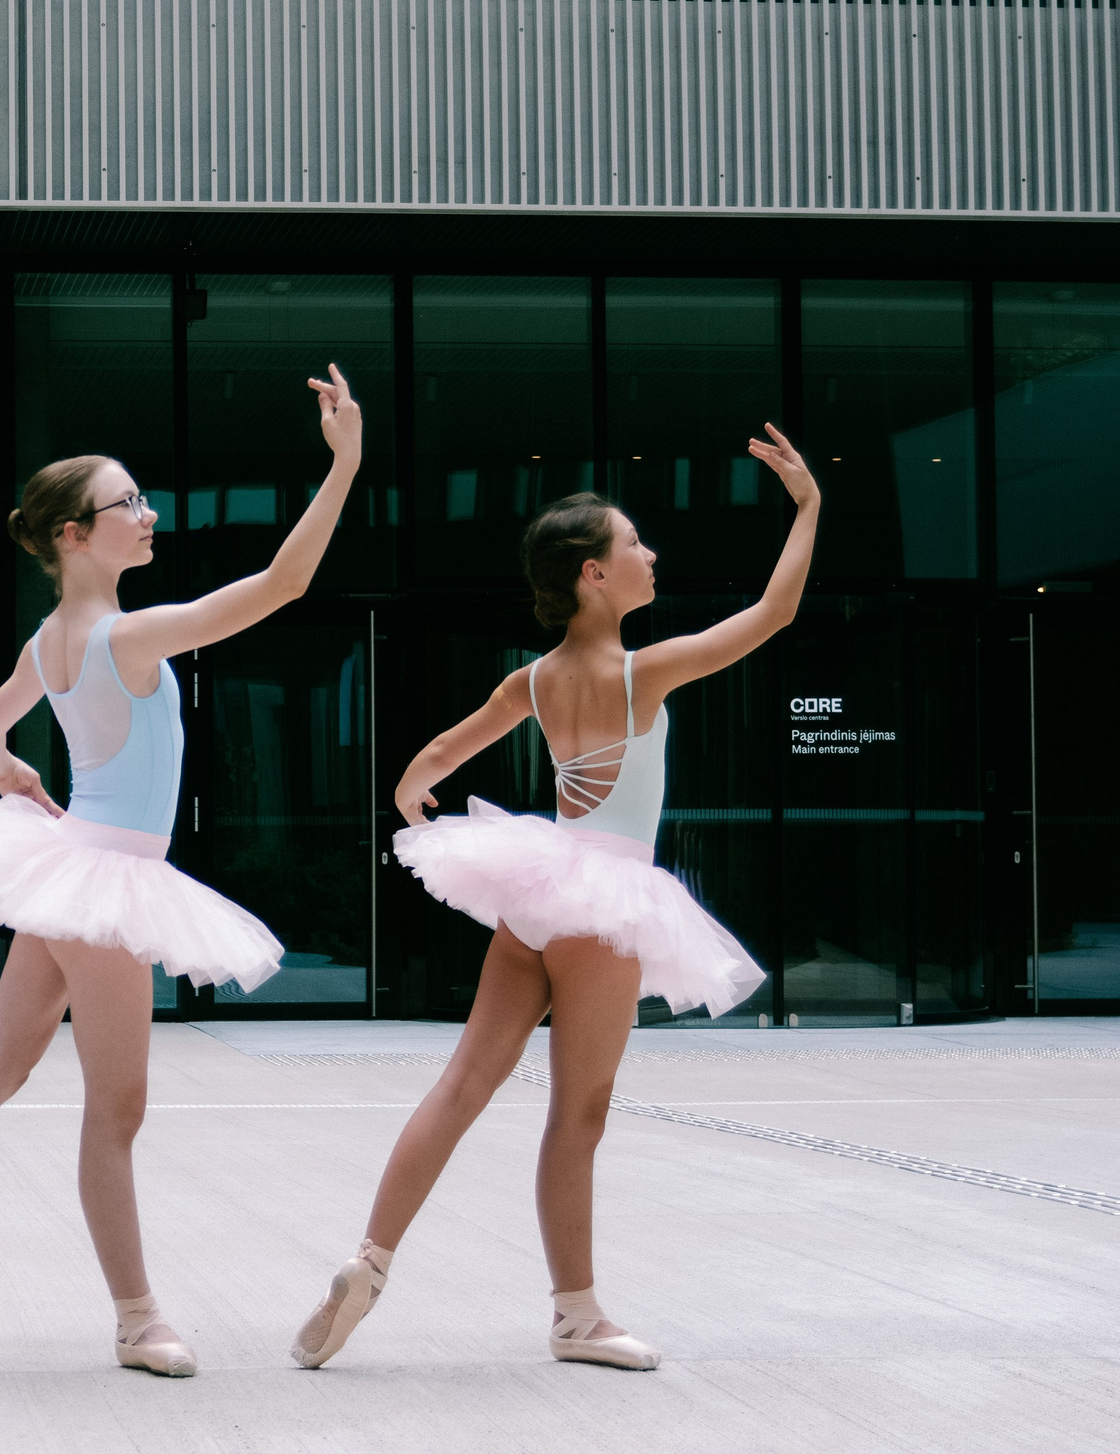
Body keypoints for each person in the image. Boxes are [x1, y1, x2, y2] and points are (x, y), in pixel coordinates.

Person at [0, 367, 363, 1375]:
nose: (148, 513)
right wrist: (342, 466)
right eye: (128, 504)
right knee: (113, 1107)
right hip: (103, 880)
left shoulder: (50, 637)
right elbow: (283, 585)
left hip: (74, 868)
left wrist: (12, 771)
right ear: (74, 533)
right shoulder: (126, 634)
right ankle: (135, 1316)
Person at [292, 427, 819, 1374]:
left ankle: (367, 1264)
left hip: (535, 890)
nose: (651, 556)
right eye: (635, 547)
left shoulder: (532, 678)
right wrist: (809, 506)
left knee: (460, 1086)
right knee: (578, 1117)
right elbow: (775, 615)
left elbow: (440, 755)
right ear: (593, 575)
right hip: (605, 900)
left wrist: (413, 790)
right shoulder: (640, 670)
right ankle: (576, 1316)